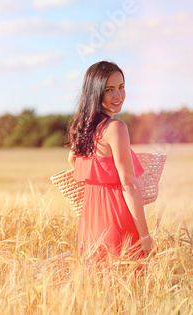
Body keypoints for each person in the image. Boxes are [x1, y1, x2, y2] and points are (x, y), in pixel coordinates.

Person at [67, 61, 154, 263]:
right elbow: (129, 183)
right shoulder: (115, 128)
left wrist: (95, 185)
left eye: (121, 87)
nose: (118, 95)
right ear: (96, 93)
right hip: (117, 216)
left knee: (98, 287)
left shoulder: (83, 128)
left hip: (91, 221)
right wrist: (145, 235)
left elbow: (72, 159)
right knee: (128, 284)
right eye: (109, 90)